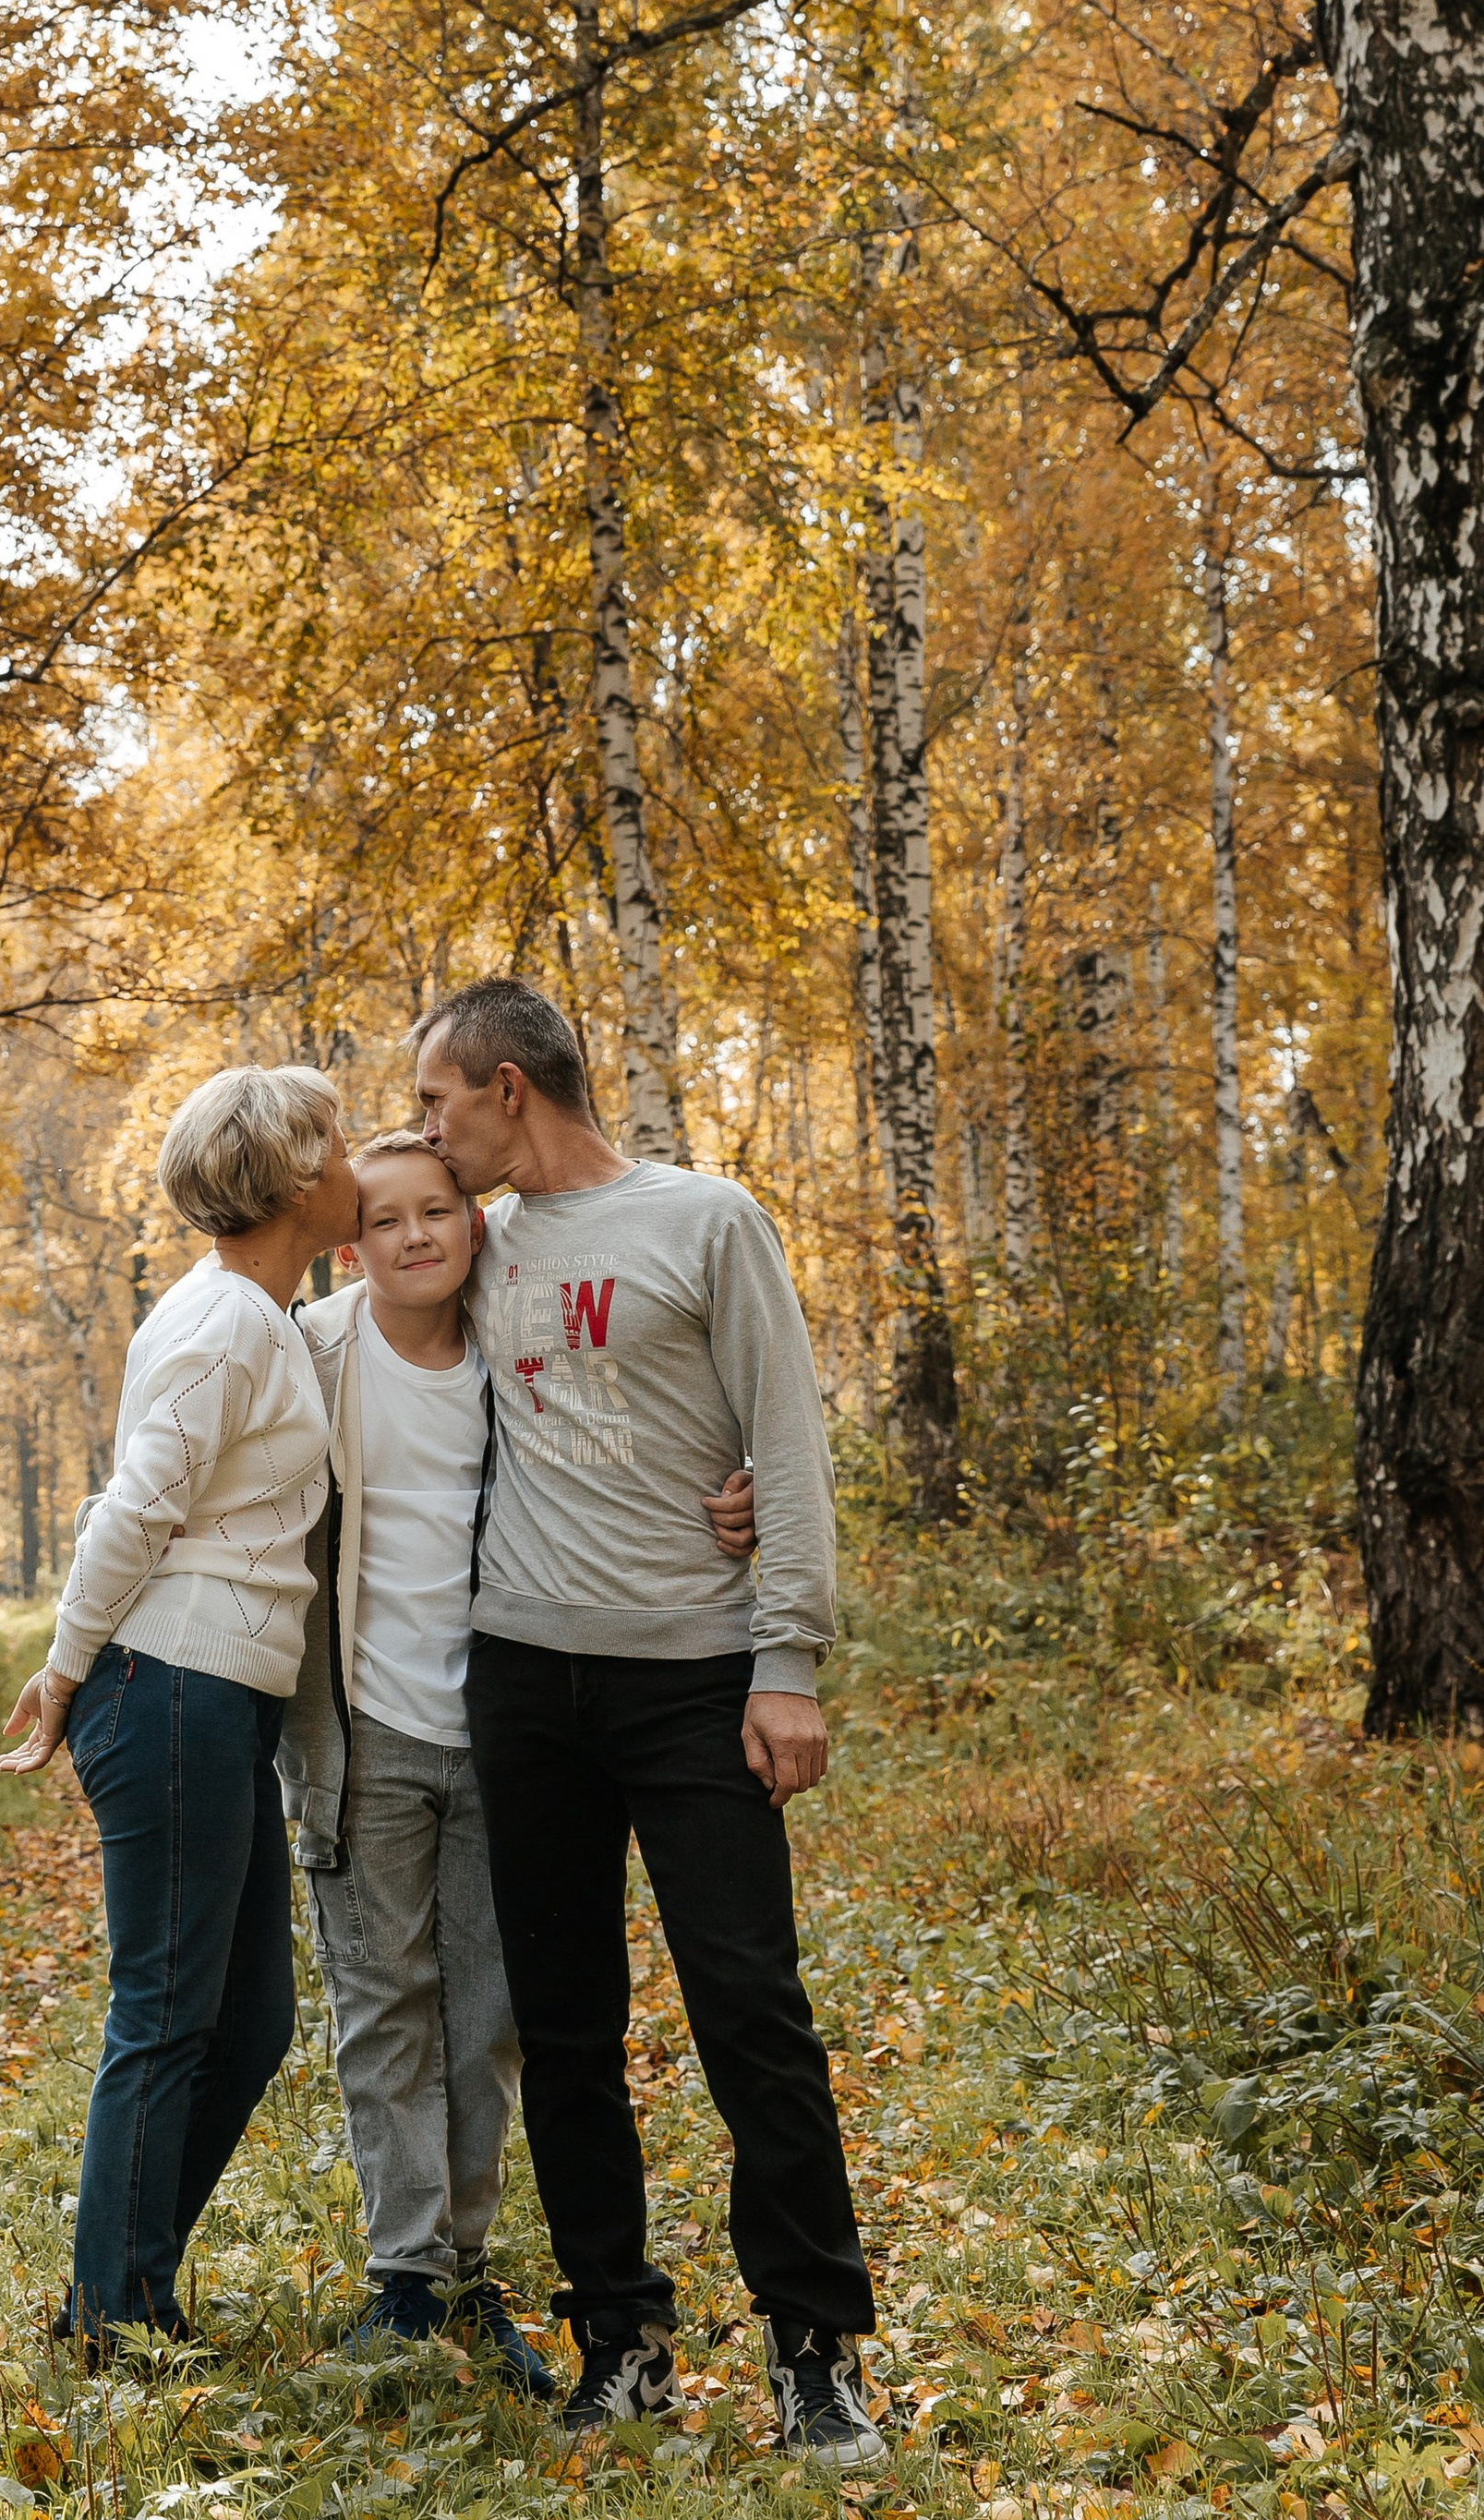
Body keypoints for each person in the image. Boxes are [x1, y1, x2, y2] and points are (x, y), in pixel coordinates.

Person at [414, 975, 883, 2466]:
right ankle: (619, 2336)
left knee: (753, 2013)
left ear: (506, 1088)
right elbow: (343, 1327)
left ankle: (815, 2352)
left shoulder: (706, 1221)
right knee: (565, 2032)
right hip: (521, 1678)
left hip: (693, 1677)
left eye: (434, 1100)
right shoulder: (469, 1247)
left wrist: (787, 1657)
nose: (422, 1131)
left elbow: (786, 1447)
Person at [280, 1127, 756, 2404]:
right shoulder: (314, 1354)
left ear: (475, 1224)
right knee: (385, 2002)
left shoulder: (520, 1336)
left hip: (510, 1726)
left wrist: (741, 1483)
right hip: (365, 1728)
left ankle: (469, 2272)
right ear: (351, 1244)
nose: (419, 1235)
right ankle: (403, 2278)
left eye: (441, 1210)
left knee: (491, 2018)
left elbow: (637, 1431)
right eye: (388, 1220)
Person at [0, 1064, 358, 2352]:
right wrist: (66, 1661)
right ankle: (113, 2314)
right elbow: (134, 1508)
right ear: (299, 1176)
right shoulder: (225, 1326)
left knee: (249, 2021)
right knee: (163, 2012)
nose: (357, 1160)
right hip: (169, 1683)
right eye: (341, 1141)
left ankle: (121, 2276)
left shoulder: (256, 1314)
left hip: (216, 1695)